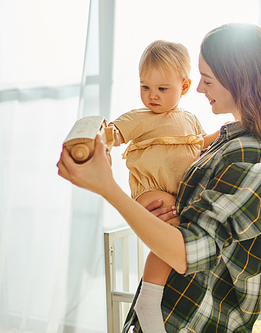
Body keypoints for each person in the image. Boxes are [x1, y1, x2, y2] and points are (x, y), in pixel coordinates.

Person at [57, 23, 261, 333]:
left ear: (241, 80)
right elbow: (186, 223)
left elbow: (187, 252)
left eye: (206, 80)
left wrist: (107, 188)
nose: (197, 89)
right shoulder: (227, 141)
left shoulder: (253, 161)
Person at [105, 40, 218, 332]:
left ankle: (162, 294)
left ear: (184, 86)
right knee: (176, 232)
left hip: (180, 195)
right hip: (151, 192)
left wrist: (224, 133)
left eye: (161, 89)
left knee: (188, 234)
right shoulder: (140, 118)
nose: (152, 96)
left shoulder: (190, 119)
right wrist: (101, 138)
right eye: (145, 87)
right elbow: (114, 133)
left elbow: (200, 144)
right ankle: (149, 298)